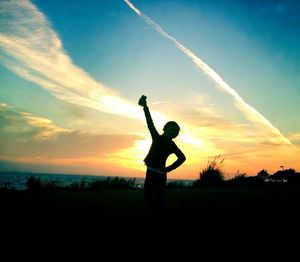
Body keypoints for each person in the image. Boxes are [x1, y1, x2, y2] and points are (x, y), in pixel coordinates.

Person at [138, 95, 186, 215]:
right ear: (165, 128)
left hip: (160, 174)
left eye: (176, 132)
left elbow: (182, 158)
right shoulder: (157, 138)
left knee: (158, 198)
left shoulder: (172, 145)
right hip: (150, 171)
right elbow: (150, 123)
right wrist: (145, 107)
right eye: (172, 129)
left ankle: (156, 213)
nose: (174, 132)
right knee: (147, 197)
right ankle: (152, 212)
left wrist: (168, 169)